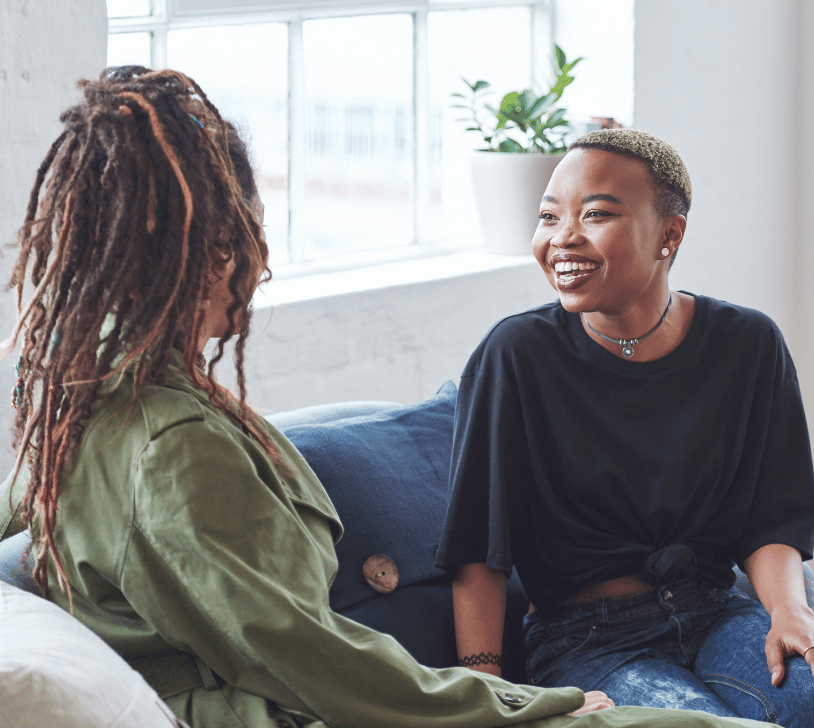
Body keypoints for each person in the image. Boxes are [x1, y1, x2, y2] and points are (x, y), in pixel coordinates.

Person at [0, 68, 774, 728]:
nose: (255, 267)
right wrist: (514, 701)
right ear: (188, 255)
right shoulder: (170, 446)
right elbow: (314, 660)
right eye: (237, 240)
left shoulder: (79, 399)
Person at [435, 129, 814, 728]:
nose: (563, 238)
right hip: (585, 642)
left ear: (669, 235)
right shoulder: (516, 355)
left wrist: (791, 613)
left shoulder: (748, 345)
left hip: (716, 611)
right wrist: (487, 690)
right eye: (549, 216)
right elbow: (479, 550)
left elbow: (773, 516)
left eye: (596, 214)